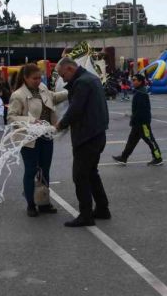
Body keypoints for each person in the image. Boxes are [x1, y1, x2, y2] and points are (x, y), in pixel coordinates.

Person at [55, 57, 111, 227]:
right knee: (91, 173)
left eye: (62, 75)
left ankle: (86, 215)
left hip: (87, 136)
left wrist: (60, 124)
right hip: (97, 134)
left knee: (80, 176)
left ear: (70, 69)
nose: (63, 79)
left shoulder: (82, 83)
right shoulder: (92, 78)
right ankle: (102, 208)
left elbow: (75, 109)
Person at [8, 63, 69, 216]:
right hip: (29, 140)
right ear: (25, 78)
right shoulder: (18, 95)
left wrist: (69, 91)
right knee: (31, 171)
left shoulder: (42, 87)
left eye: (39, 77)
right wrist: (30, 121)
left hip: (46, 137)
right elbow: (11, 118)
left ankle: (43, 202)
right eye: (34, 78)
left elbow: (53, 98)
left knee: (45, 170)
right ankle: (30, 204)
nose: (37, 80)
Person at [112, 73, 163, 166]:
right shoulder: (139, 91)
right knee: (131, 141)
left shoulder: (141, 93)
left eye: (135, 80)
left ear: (140, 81)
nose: (133, 81)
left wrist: (137, 121)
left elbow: (142, 110)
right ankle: (123, 157)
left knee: (150, 140)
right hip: (137, 123)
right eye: (133, 79)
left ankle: (158, 158)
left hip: (142, 123)